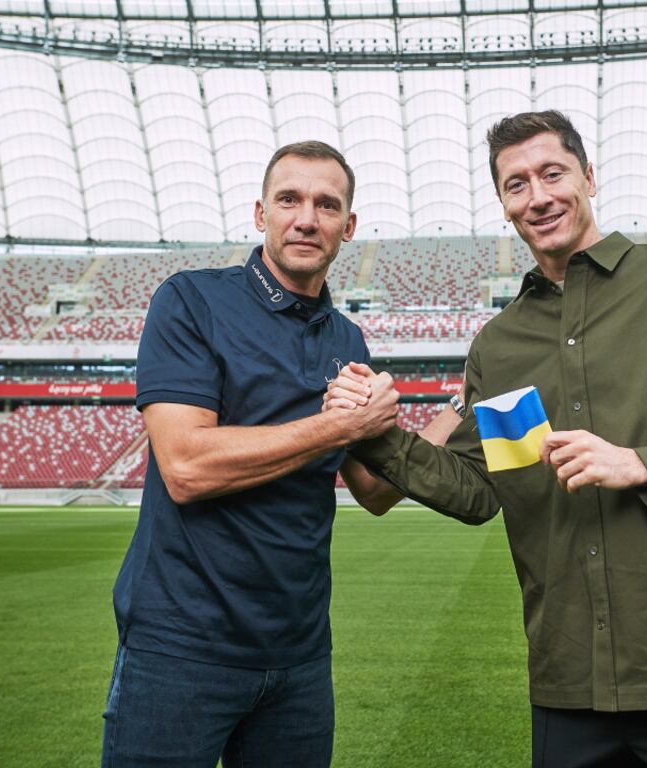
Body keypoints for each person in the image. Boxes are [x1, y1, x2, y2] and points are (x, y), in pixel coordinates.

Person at [330, 111, 647, 767]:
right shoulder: (499, 346)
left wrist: (641, 463)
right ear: (504, 204)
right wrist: (370, 432)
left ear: (588, 174)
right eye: (517, 184)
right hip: (569, 681)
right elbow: (476, 491)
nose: (539, 197)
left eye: (552, 173)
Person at [101, 140, 458, 767]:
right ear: (260, 211)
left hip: (298, 656)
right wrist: (339, 424)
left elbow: (374, 491)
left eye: (327, 205)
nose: (306, 218)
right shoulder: (189, 300)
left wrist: (461, 410)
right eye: (289, 199)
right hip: (180, 647)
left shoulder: (346, 337)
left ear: (348, 227)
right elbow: (185, 467)